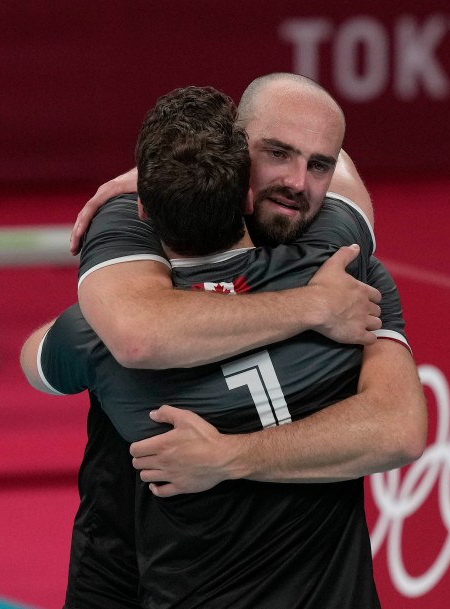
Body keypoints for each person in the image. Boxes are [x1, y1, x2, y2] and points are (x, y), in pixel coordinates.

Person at [35, 74, 426, 609]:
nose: (296, 182)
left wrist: (227, 456)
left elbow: (399, 431)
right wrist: (312, 307)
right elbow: (140, 334)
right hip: (122, 546)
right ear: (236, 155)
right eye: (277, 153)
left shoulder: (337, 257)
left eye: (318, 165)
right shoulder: (339, 276)